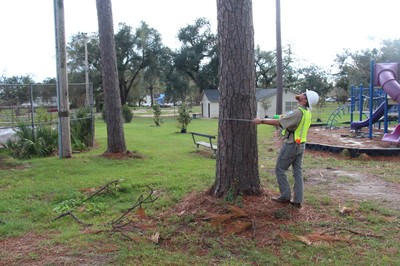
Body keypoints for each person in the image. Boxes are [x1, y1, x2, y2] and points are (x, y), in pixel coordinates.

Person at [252, 90, 319, 209]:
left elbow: (279, 122)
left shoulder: (298, 112)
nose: (302, 93)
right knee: (297, 173)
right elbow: (290, 120)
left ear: (305, 100)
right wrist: (283, 117)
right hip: (301, 145)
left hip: (291, 145)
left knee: (280, 170)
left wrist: (261, 121)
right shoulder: (306, 112)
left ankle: (285, 196)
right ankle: (298, 200)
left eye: (304, 94)